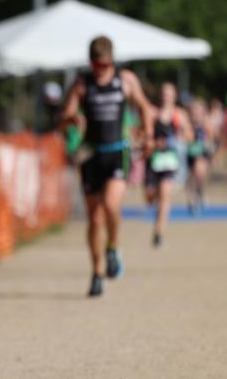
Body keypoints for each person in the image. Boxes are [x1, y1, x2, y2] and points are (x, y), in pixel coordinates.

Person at [58, 36, 154, 297]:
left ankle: (113, 247)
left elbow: (146, 108)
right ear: (90, 63)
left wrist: (149, 135)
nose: (100, 70)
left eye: (105, 65)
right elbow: (63, 118)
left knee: (111, 205)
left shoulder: (126, 80)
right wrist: (72, 119)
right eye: (96, 65)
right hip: (91, 155)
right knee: (94, 218)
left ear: (112, 61)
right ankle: (97, 272)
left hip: (116, 152)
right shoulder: (82, 84)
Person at [143, 83, 189, 247]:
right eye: (164, 94)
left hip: (170, 160)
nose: (166, 97)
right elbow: (144, 134)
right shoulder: (152, 113)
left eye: (169, 94)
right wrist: (154, 143)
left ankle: (159, 232)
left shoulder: (179, 115)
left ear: (174, 96)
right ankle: (157, 212)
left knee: (165, 194)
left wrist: (177, 137)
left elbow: (189, 135)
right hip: (153, 159)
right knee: (150, 196)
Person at [186, 98, 215, 213]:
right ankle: (192, 200)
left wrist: (207, 146)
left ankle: (200, 193)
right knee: (192, 177)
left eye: (199, 110)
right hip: (190, 153)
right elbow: (186, 137)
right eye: (194, 110)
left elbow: (211, 137)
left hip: (202, 152)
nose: (196, 112)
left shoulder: (206, 123)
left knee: (201, 173)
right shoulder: (188, 123)